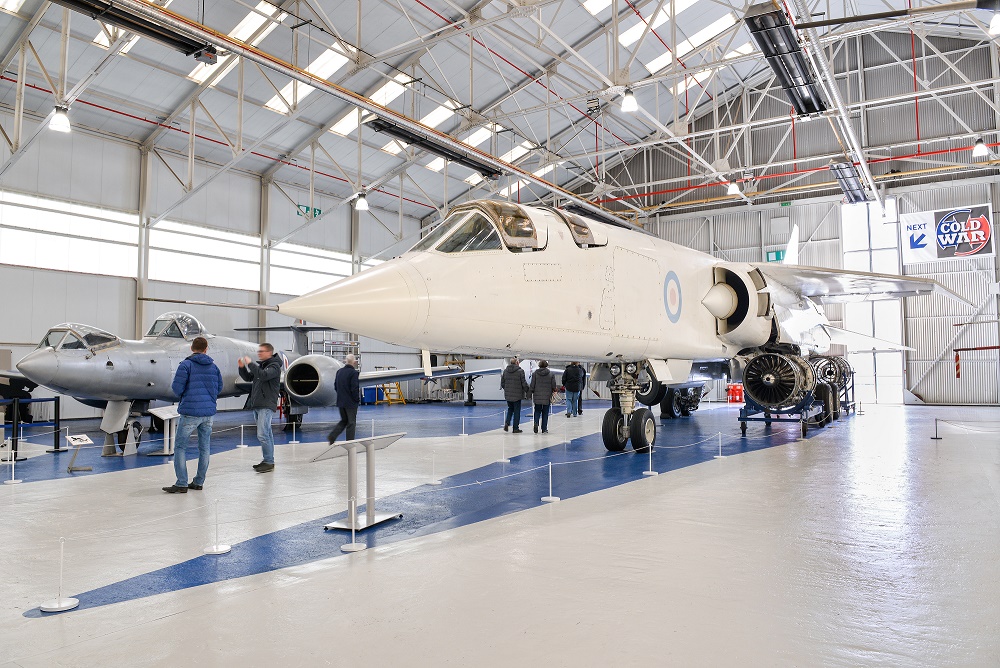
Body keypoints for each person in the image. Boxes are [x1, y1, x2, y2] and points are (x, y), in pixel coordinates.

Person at [163, 336, 223, 493]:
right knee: (204, 448)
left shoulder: (186, 365)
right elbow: (219, 388)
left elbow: (177, 389)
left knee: (180, 447)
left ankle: (182, 483)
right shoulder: (214, 367)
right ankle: (198, 482)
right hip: (208, 414)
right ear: (206, 349)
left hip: (190, 412)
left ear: (191, 348)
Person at [238, 342, 282, 473]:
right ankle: (268, 460)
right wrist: (242, 367)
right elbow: (248, 377)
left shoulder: (274, 367)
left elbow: (263, 375)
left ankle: (269, 462)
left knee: (263, 434)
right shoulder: (262, 366)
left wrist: (250, 364)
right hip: (258, 404)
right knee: (266, 433)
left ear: (269, 353)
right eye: (259, 351)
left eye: (261, 351)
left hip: (266, 405)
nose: (259, 353)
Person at [328, 353, 361, 443]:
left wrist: (341, 396)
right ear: (354, 362)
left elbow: (336, 386)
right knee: (351, 423)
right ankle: (350, 443)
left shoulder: (339, 372)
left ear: (346, 361)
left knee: (344, 420)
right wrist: (357, 400)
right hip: (350, 403)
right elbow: (354, 388)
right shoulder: (354, 373)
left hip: (340, 402)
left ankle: (332, 436)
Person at [500, 356, 529, 433]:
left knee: (510, 409)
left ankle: (507, 422)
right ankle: (515, 428)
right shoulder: (520, 371)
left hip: (508, 395)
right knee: (517, 412)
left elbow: (502, 383)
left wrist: (507, 389)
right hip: (517, 395)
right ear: (517, 363)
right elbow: (523, 383)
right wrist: (528, 391)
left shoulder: (505, 371)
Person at [529, 360, 557, 434]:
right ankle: (544, 429)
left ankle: (536, 423)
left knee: (537, 411)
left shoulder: (535, 374)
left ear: (539, 365)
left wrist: (530, 392)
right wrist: (554, 390)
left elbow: (532, 385)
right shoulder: (551, 374)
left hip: (537, 395)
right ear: (546, 365)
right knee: (545, 412)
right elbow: (553, 385)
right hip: (547, 396)